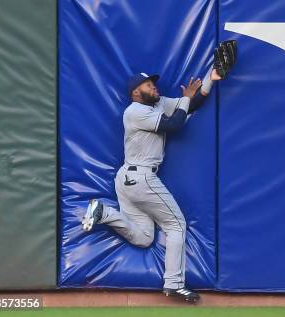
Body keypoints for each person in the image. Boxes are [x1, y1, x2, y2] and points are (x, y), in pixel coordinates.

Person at [82, 42, 237, 303]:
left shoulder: (158, 104)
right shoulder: (135, 111)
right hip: (141, 178)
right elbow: (176, 123)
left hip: (128, 180)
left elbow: (192, 104)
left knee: (143, 238)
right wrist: (186, 99)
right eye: (148, 85)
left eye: (154, 83)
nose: (154, 86)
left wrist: (211, 78)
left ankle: (104, 213)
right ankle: (174, 284)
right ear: (135, 92)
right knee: (176, 225)